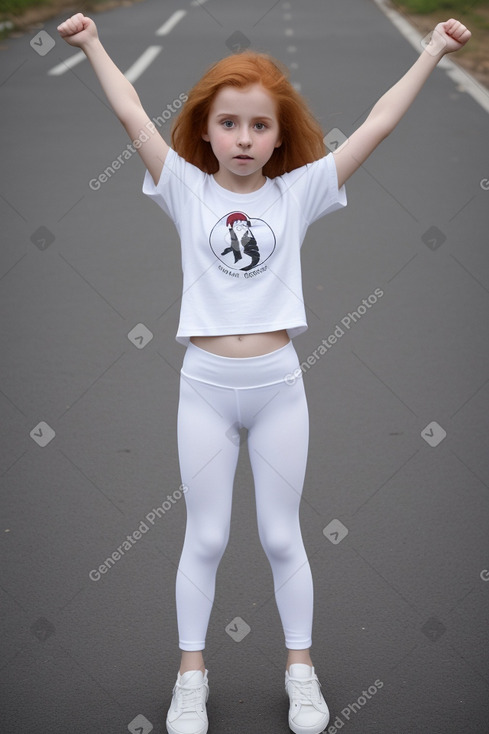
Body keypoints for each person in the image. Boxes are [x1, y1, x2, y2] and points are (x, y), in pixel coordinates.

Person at [57, 12, 471, 734]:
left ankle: (300, 672)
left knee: (282, 537)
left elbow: (374, 125)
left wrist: (433, 48)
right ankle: (191, 677)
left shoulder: (297, 193)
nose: (243, 139)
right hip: (204, 389)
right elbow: (130, 111)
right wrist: (92, 44)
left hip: (278, 386)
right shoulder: (185, 189)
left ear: (279, 137)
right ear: (204, 130)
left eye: (257, 126)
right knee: (206, 537)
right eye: (228, 124)